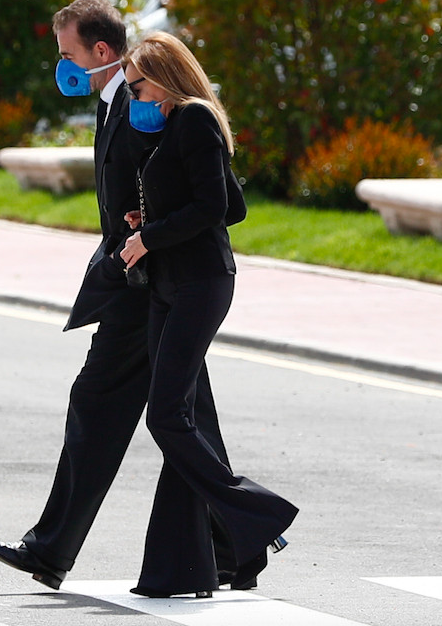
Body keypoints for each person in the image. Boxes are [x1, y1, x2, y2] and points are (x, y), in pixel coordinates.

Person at [0, 0, 235, 591]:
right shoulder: (113, 100)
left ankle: (50, 550)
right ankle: (235, 546)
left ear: (100, 52)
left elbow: (207, 191)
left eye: (67, 54)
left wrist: (146, 234)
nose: (60, 65)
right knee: (192, 418)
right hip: (152, 282)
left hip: (148, 286)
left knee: (97, 403)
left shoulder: (143, 101)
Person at [119, 31, 298, 598]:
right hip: (173, 285)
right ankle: (212, 560)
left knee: (167, 416)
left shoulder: (194, 118)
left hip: (200, 284)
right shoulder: (177, 126)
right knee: (183, 420)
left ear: (166, 78)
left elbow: (215, 209)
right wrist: (150, 220)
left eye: (139, 86)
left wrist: (151, 236)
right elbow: (233, 205)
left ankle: (257, 514)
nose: (134, 99)